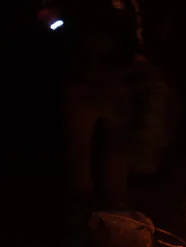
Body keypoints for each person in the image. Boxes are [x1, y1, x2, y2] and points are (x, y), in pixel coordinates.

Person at [51, 0, 178, 234]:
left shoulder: (125, 6)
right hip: (79, 77)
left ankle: (117, 208)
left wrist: (137, 55)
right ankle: (81, 209)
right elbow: (57, 23)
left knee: (117, 145)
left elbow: (137, 27)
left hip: (115, 80)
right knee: (79, 148)